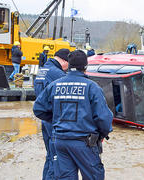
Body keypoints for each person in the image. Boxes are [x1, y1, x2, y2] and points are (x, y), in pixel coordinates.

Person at [33, 50, 113, 179]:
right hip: (84, 143)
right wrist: (103, 134)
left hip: (60, 142)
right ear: (85, 67)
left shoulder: (55, 85)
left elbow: (38, 109)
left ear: (69, 65)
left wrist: (56, 120)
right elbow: (103, 117)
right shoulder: (92, 87)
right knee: (94, 176)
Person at [34, 48, 70, 180]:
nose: (68, 68)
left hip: (45, 118)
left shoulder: (43, 69)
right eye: (68, 64)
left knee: (50, 155)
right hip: (54, 120)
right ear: (64, 61)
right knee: (56, 157)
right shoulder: (57, 74)